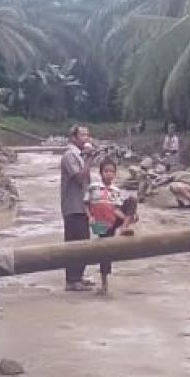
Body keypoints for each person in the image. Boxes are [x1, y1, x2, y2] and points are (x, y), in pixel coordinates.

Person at [86, 160, 138, 295]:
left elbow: (116, 209)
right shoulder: (93, 187)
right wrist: (90, 217)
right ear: (100, 173)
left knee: (132, 200)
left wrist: (128, 217)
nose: (109, 174)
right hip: (100, 223)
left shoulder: (116, 190)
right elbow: (86, 204)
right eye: (106, 171)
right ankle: (104, 284)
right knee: (105, 252)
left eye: (112, 172)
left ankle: (124, 228)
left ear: (115, 174)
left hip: (113, 219)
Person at [61, 124, 98, 291]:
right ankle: (72, 280)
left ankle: (78, 277)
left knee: (83, 241)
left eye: (88, 135)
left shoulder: (79, 155)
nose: (87, 138)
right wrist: (89, 159)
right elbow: (79, 178)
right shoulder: (70, 156)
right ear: (74, 138)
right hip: (73, 206)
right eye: (83, 135)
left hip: (81, 206)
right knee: (74, 243)